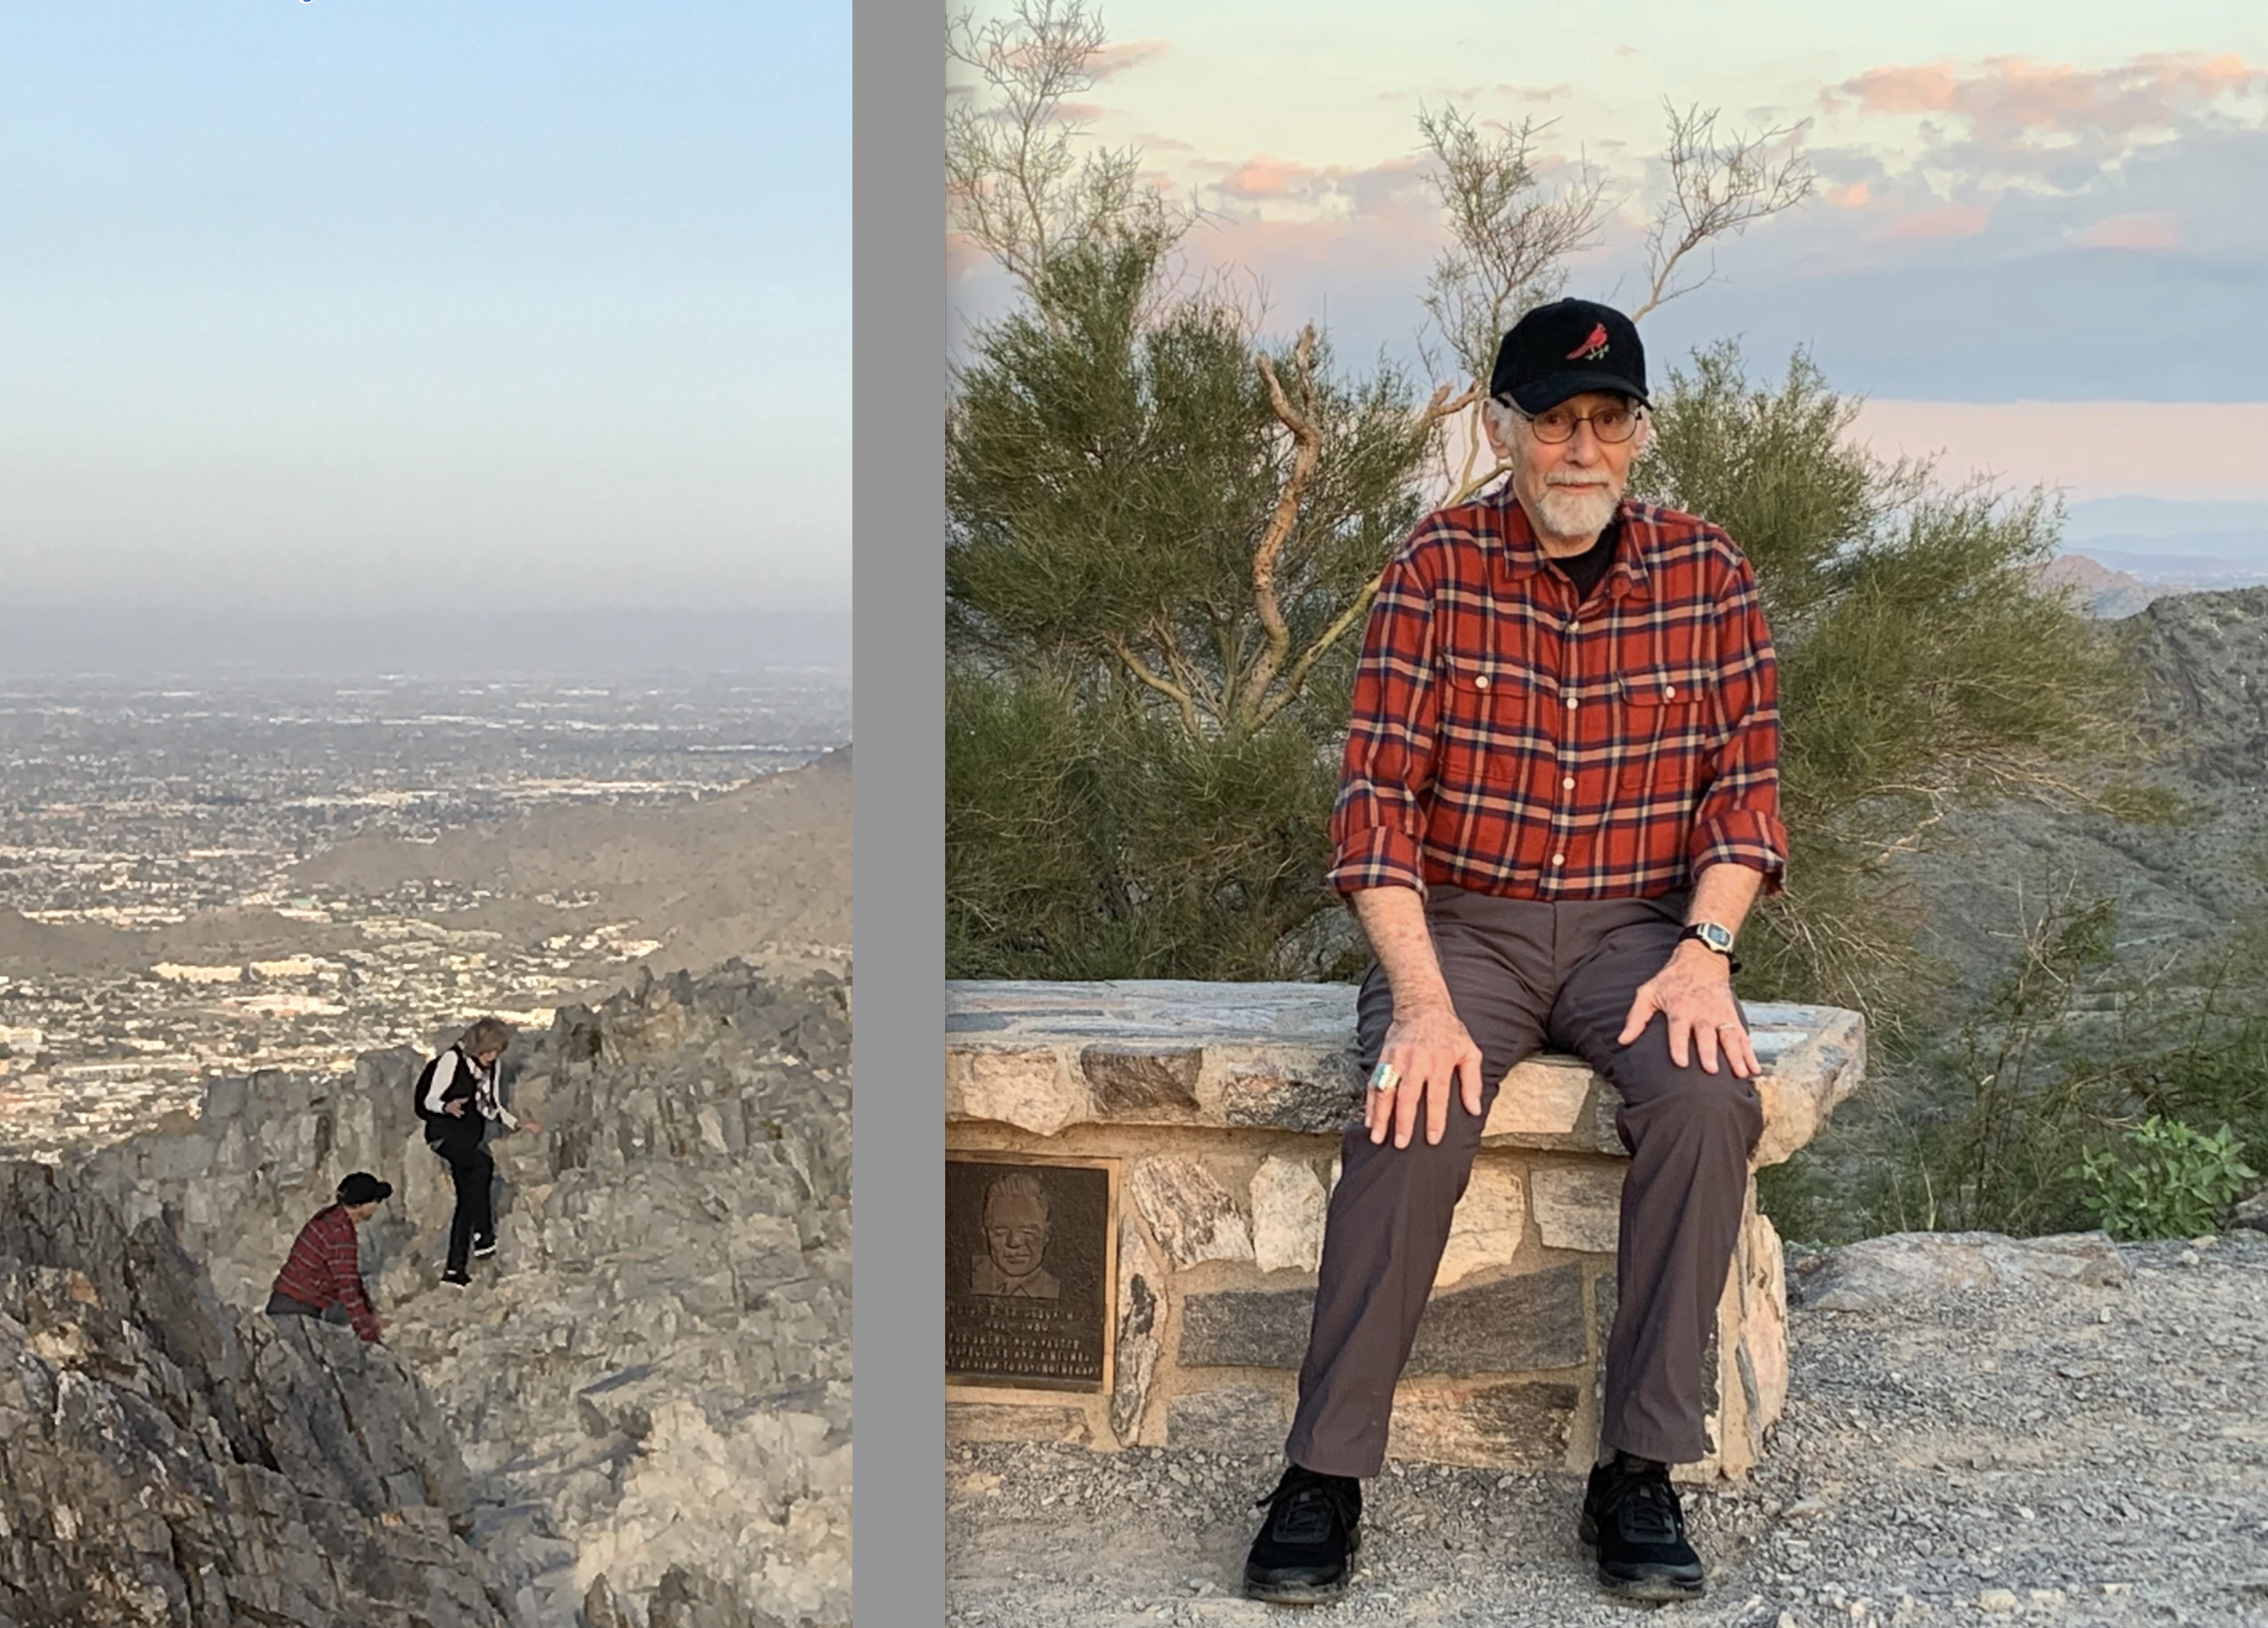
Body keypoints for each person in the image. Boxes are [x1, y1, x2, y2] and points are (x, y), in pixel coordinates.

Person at [1241, 297, 1786, 1606]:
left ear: (1639, 435)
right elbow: (1374, 804)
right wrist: (1420, 1000)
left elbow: (1746, 794)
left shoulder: (1711, 573)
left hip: (1639, 934)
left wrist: (1706, 950)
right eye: (1555, 420)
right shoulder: (1433, 568)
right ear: (1507, 431)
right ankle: (1323, 1473)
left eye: (1606, 420)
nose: (1580, 447)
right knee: (1412, 1109)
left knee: (1710, 1099)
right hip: (1465, 926)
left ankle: (1641, 1466)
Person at [416, 1016, 541, 1287]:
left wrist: (518, 1125)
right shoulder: (452, 1060)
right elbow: (429, 1100)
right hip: (444, 1136)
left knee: (467, 1197)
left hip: (468, 1137)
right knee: (481, 1165)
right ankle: (484, 1235)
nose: (492, 1056)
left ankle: (455, 1269)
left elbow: (491, 1106)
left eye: (497, 1051)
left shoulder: (491, 1068)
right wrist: (448, 1107)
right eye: (488, 1051)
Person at [266, 1171, 392, 1342]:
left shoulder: (331, 1219)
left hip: (286, 1303)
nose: (378, 1206)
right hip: (296, 1313)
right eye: (375, 1201)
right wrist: (371, 1338)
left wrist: (370, 1318)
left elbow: (351, 1280)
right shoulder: (340, 1234)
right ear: (359, 1205)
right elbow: (348, 1291)